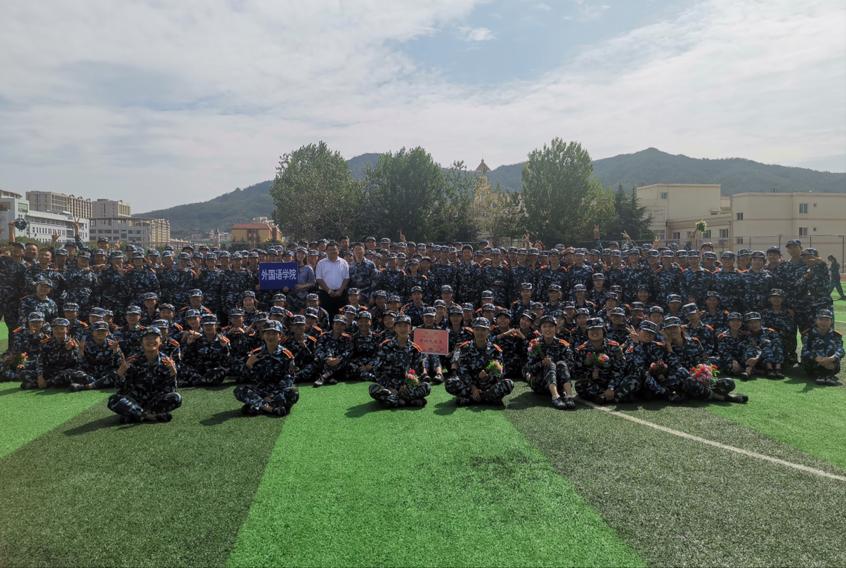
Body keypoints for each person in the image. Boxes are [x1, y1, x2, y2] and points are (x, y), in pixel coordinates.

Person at [107, 326, 181, 423]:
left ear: (161, 341)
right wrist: (120, 374)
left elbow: (170, 390)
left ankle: (137, 415)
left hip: (155, 402)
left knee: (176, 397)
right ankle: (149, 416)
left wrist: (173, 374)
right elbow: (121, 388)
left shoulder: (167, 362)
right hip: (136, 401)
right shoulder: (133, 360)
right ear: (141, 342)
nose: (151, 341)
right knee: (113, 400)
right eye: (147, 338)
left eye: (154, 338)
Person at [234, 320, 300, 416]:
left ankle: (258, 406)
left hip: (278, 391)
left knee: (293, 392)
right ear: (263, 336)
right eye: (268, 333)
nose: (270, 337)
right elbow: (245, 378)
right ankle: (271, 409)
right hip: (261, 390)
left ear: (280, 336)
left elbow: (289, 379)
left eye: (274, 333)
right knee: (239, 390)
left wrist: (272, 395)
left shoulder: (286, 355)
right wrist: (248, 365)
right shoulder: (256, 354)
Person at [446, 317, 514, 406]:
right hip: (469, 385)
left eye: (483, 330)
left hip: (488, 385)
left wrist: (487, 377)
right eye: (477, 329)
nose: (480, 332)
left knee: (508, 384)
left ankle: (473, 399)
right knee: (450, 383)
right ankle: (487, 398)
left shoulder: (495, 350)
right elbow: (463, 372)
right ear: (473, 330)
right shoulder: (464, 348)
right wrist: (473, 388)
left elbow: (499, 373)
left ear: (488, 331)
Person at [369, 314, 431, 408]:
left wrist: (409, 384)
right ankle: (408, 400)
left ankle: (396, 401)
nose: (403, 329)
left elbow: (418, 372)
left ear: (410, 329)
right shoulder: (385, 346)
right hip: (389, 386)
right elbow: (377, 370)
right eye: (399, 326)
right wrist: (389, 387)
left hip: (407, 386)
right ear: (395, 328)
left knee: (427, 387)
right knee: (373, 388)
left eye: (406, 326)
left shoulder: (415, 349)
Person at [800, 309, 843, 386]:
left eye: (827, 320)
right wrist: (816, 358)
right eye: (821, 319)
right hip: (812, 364)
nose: (824, 322)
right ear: (816, 321)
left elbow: (841, 350)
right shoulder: (809, 334)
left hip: (831, 364)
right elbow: (804, 351)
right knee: (816, 349)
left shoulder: (836, 335)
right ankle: (824, 375)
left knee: (832, 348)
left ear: (831, 321)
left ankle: (826, 375)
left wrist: (832, 358)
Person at [315, 241, 349, 318]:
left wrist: (340, 291)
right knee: (326, 316)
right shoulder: (321, 263)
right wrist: (329, 291)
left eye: (334, 249)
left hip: (340, 294)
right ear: (326, 251)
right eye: (330, 250)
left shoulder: (344, 262)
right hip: (325, 294)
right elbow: (319, 279)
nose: (332, 251)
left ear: (338, 251)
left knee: (341, 317)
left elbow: (346, 278)